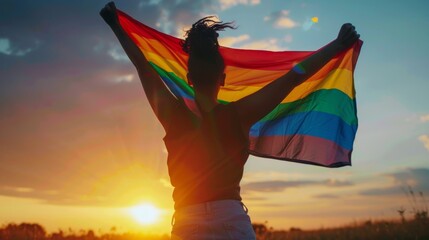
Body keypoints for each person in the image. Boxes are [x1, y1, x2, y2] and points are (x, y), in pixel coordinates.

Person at [100, 2, 360, 239]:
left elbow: (143, 67)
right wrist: (336, 46)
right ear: (222, 80)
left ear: (189, 79)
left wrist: (115, 25)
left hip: (188, 223)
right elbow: (293, 77)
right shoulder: (239, 114)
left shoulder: (173, 116)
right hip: (231, 220)